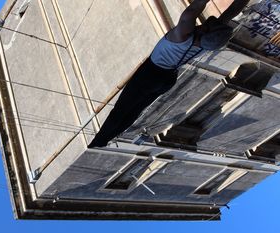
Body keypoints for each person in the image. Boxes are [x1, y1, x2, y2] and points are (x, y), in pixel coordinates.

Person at [88, 0, 250, 148]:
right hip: (167, 79)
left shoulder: (182, 37)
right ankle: (105, 139)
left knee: (121, 108)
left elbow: (192, 10)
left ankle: (99, 140)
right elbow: (232, 12)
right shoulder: (208, 43)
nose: (207, 21)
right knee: (135, 110)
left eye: (208, 23)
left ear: (205, 30)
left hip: (150, 73)